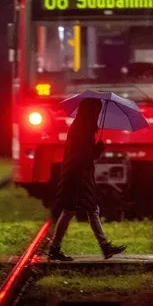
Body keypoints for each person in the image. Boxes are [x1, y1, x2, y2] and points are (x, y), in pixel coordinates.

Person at [48, 98, 127, 261]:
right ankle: (55, 248)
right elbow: (83, 156)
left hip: (78, 174)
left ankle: (104, 246)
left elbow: (83, 155)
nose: (97, 114)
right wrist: (96, 151)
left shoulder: (82, 127)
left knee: (88, 210)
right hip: (78, 176)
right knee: (74, 210)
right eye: (96, 110)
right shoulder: (83, 129)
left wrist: (94, 151)